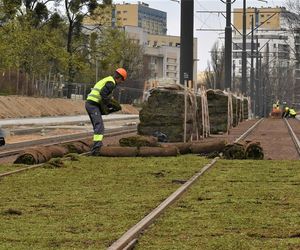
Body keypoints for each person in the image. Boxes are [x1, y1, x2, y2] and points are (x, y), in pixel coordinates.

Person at [85, 68, 127, 156]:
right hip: (93, 104)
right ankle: (96, 148)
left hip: (92, 104)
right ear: (119, 78)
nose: (121, 83)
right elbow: (103, 94)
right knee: (99, 126)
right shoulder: (111, 83)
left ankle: (97, 145)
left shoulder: (108, 79)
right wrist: (109, 104)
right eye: (121, 81)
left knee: (98, 126)